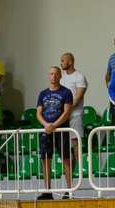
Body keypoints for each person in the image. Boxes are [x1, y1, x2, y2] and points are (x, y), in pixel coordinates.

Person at [35, 66, 74, 200]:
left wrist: (55, 125)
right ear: (48, 76)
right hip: (46, 130)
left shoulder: (66, 92)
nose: (53, 76)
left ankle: (69, 191)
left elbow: (67, 112)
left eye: (56, 74)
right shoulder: (43, 94)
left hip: (61, 129)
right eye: (51, 74)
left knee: (66, 159)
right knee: (46, 159)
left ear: (60, 76)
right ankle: (47, 190)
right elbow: (38, 113)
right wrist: (46, 125)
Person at [60, 52, 88, 159]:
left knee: (76, 143)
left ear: (70, 62)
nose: (61, 63)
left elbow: (78, 97)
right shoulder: (61, 78)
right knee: (64, 144)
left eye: (63, 61)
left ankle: (79, 171)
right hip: (63, 116)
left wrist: (67, 110)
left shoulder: (79, 76)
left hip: (75, 115)